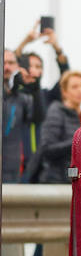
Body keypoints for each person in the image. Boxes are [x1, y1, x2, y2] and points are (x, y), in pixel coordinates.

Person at [34, 71, 81, 184]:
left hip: (75, 181)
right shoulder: (56, 112)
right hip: (56, 181)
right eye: (74, 87)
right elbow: (47, 149)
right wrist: (77, 142)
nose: (80, 90)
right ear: (64, 92)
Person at [3, 50, 35, 183]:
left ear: (18, 67)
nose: (6, 67)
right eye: (3, 63)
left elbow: (38, 119)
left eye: (11, 63)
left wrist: (30, 86)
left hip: (14, 169)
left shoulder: (23, 98)